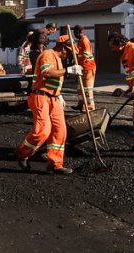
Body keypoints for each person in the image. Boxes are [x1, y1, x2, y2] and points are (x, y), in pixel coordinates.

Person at [15, 35, 83, 175]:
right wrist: (68, 70)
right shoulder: (48, 54)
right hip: (41, 97)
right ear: (62, 47)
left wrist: (59, 94)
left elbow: (54, 82)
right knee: (43, 130)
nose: (68, 56)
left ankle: (55, 164)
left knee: (60, 131)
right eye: (68, 52)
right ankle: (22, 153)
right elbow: (47, 73)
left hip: (54, 98)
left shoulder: (58, 59)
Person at [74, 25, 96, 111]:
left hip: (88, 67)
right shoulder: (80, 41)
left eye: (75, 32)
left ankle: (90, 106)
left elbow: (86, 55)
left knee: (87, 88)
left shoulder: (84, 41)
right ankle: (81, 104)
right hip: (82, 67)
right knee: (80, 88)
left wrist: (77, 55)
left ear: (80, 32)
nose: (74, 34)